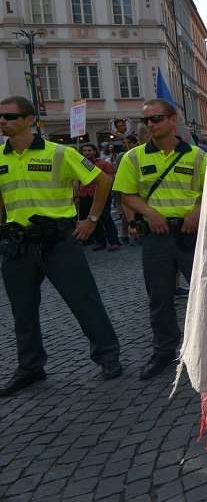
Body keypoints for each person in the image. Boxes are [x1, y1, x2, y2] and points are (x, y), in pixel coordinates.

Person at [0, 96, 122, 396]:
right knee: (22, 311)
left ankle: (108, 355)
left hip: (57, 240)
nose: (2, 121)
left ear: (29, 120)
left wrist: (92, 219)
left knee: (84, 301)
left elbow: (103, 180)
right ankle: (30, 367)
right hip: (18, 243)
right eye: (0, 116)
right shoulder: (0, 157)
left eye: (9, 116)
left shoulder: (58, 152)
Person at [114, 99, 207, 380]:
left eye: (156, 119)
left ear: (172, 119)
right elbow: (126, 194)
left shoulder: (197, 155)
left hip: (191, 234)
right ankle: (164, 350)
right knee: (160, 297)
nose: (151, 125)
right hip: (156, 236)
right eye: (146, 121)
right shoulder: (134, 157)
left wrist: (196, 211)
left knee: (205, 294)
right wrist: (149, 214)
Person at [77, 142, 123, 251]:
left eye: (89, 150)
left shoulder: (103, 164)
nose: (87, 152)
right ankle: (100, 241)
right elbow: (76, 180)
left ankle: (113, 241)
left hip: (100, 194)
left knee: (105, 217)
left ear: (95, 151)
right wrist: (76, 195)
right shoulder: (80, 164)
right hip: (85, 194)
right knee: (91, 218)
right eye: (85, 150)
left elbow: (109, 180)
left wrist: (107, 192)